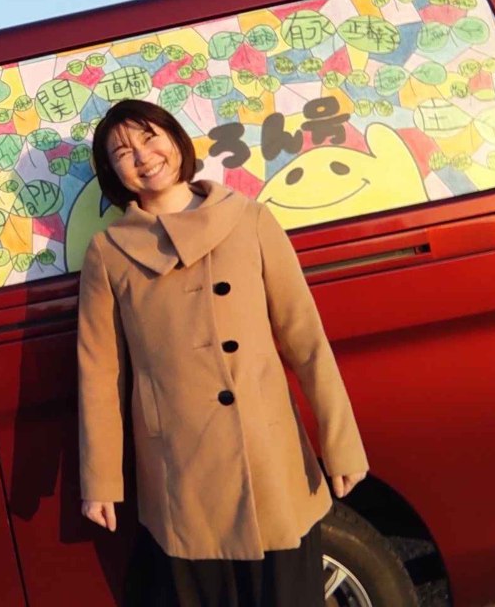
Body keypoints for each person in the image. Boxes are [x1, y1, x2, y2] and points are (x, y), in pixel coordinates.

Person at [77, 99, 369, 606]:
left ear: (175, 139)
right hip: (180, 471)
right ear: (112, 173)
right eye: (122, 153)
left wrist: (341, 442)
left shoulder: (250, 219)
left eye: (150, 137)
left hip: (269, 457)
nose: (143, 157)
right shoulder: (109, 252)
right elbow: (100, 374)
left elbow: (304, 337)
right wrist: (100, 480)